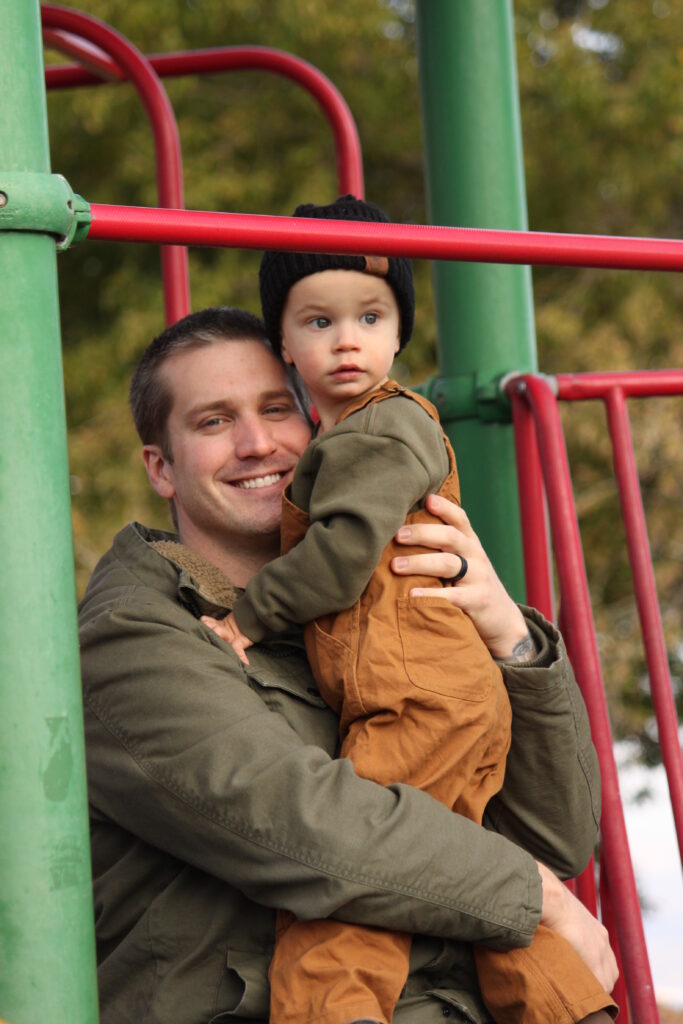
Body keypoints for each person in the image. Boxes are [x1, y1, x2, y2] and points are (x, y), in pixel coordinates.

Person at [79, 305, 617, 1024]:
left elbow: (553, 839)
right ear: (161, 467)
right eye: (213, 422)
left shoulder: (378, 595)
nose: (256, 443)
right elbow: (298, 823)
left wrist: (508, 640)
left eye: (278, 409)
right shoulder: (132, 634)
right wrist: (535, 897)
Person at [203, 196, 617, 1024]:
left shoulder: (378, 433)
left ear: (399, 336)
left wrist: (247, 619)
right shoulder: (357, 434)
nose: (346, 339)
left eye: (370, 317)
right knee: (474, 878)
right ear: (283, 342)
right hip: (433, 698)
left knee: (347, 898)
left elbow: (342, 551)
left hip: (416, 700)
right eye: (318, 321)